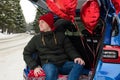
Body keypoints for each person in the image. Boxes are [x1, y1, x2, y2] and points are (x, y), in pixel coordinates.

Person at [23, 12, 85, 80]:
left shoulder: (61, 36)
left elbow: (70, 49)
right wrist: (35, 67)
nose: (39, 24)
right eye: (39, 23)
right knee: (51, 72)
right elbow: (26, 53)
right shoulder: (36, 39)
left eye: (42, 22)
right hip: (48, 64)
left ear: (49, 23)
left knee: (80, 64)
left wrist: (76, 57)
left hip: (63, 64)